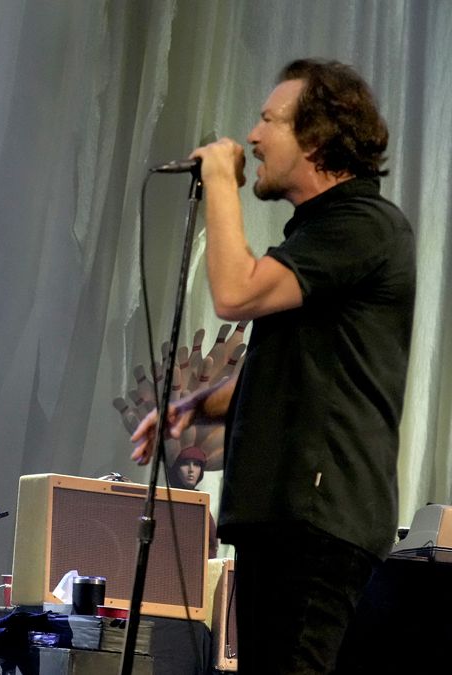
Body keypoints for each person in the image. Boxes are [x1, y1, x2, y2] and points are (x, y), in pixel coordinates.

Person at [131, 59, 414, 673]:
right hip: (287, 518)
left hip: (316, 518)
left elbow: (234, 293)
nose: (253, 137)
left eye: (268, 120)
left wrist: (219, 182)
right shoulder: (322, 235)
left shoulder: (362, 225)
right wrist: (192, 405)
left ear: (314, 138)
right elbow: (290, 364)